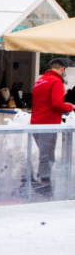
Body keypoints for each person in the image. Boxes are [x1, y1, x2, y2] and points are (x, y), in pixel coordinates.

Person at [30, 57, 74, 196]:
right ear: (62, 68)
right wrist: (71, 107)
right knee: (47, 154)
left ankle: (41, 181)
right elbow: (57, 103)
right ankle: (44, 184)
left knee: (44, 153)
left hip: (36, 121)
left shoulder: (40, 80)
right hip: (48, 123)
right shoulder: (56, 81)